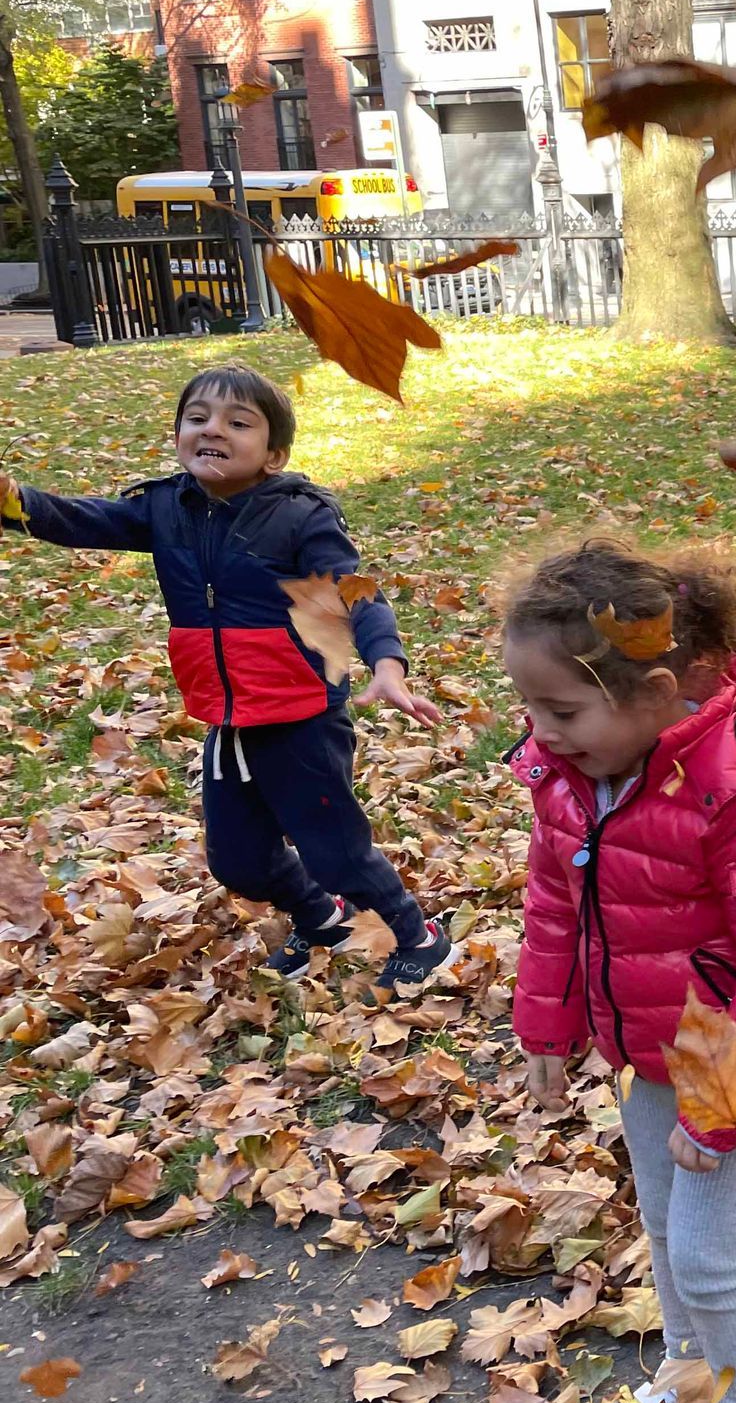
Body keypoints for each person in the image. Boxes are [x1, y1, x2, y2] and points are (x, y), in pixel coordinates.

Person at [504, 539, 736, 1403]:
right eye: (529, 706)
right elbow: (553, 898)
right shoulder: (577, 772)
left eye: (562, 708)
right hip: (648, 1039)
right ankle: (699, 1370)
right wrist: (548, 1017)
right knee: (660, 1221)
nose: (540, 730)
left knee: (704, 1244)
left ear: (656, 692)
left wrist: (727, 1105)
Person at [0, 363, 452, 993]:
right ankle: (321, 915)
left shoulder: (300, 517)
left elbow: (354, 592)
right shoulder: (165, 508)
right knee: (237, 862)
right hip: (230, 718)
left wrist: (387, 663)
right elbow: (81, 519)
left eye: (238, 422)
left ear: (273, 454)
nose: (213, 429)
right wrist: (15, 501)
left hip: (301, 715)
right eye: (197, 418)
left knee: (335, 851)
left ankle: (418, 934)